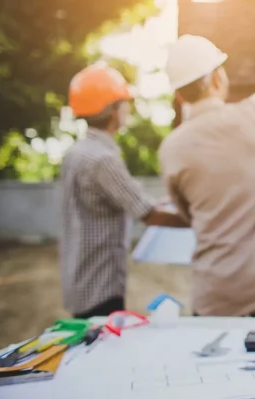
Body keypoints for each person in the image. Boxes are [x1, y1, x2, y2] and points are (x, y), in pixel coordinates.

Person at [158, 22, 255, 318]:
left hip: (213, 295)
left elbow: (187, 213)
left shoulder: (171, 150)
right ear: (218, 79)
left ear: (179, 96)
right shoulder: (251, 119)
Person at [60, 63, 189, 319]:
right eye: (124, 102)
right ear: (111, 110)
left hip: (80, 281)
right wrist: (200, 221)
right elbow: (147, 214)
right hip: (100, 286)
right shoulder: (103, 159)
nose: (128, 108)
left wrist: (167, 202)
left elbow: (124, 200)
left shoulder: (76, 153)